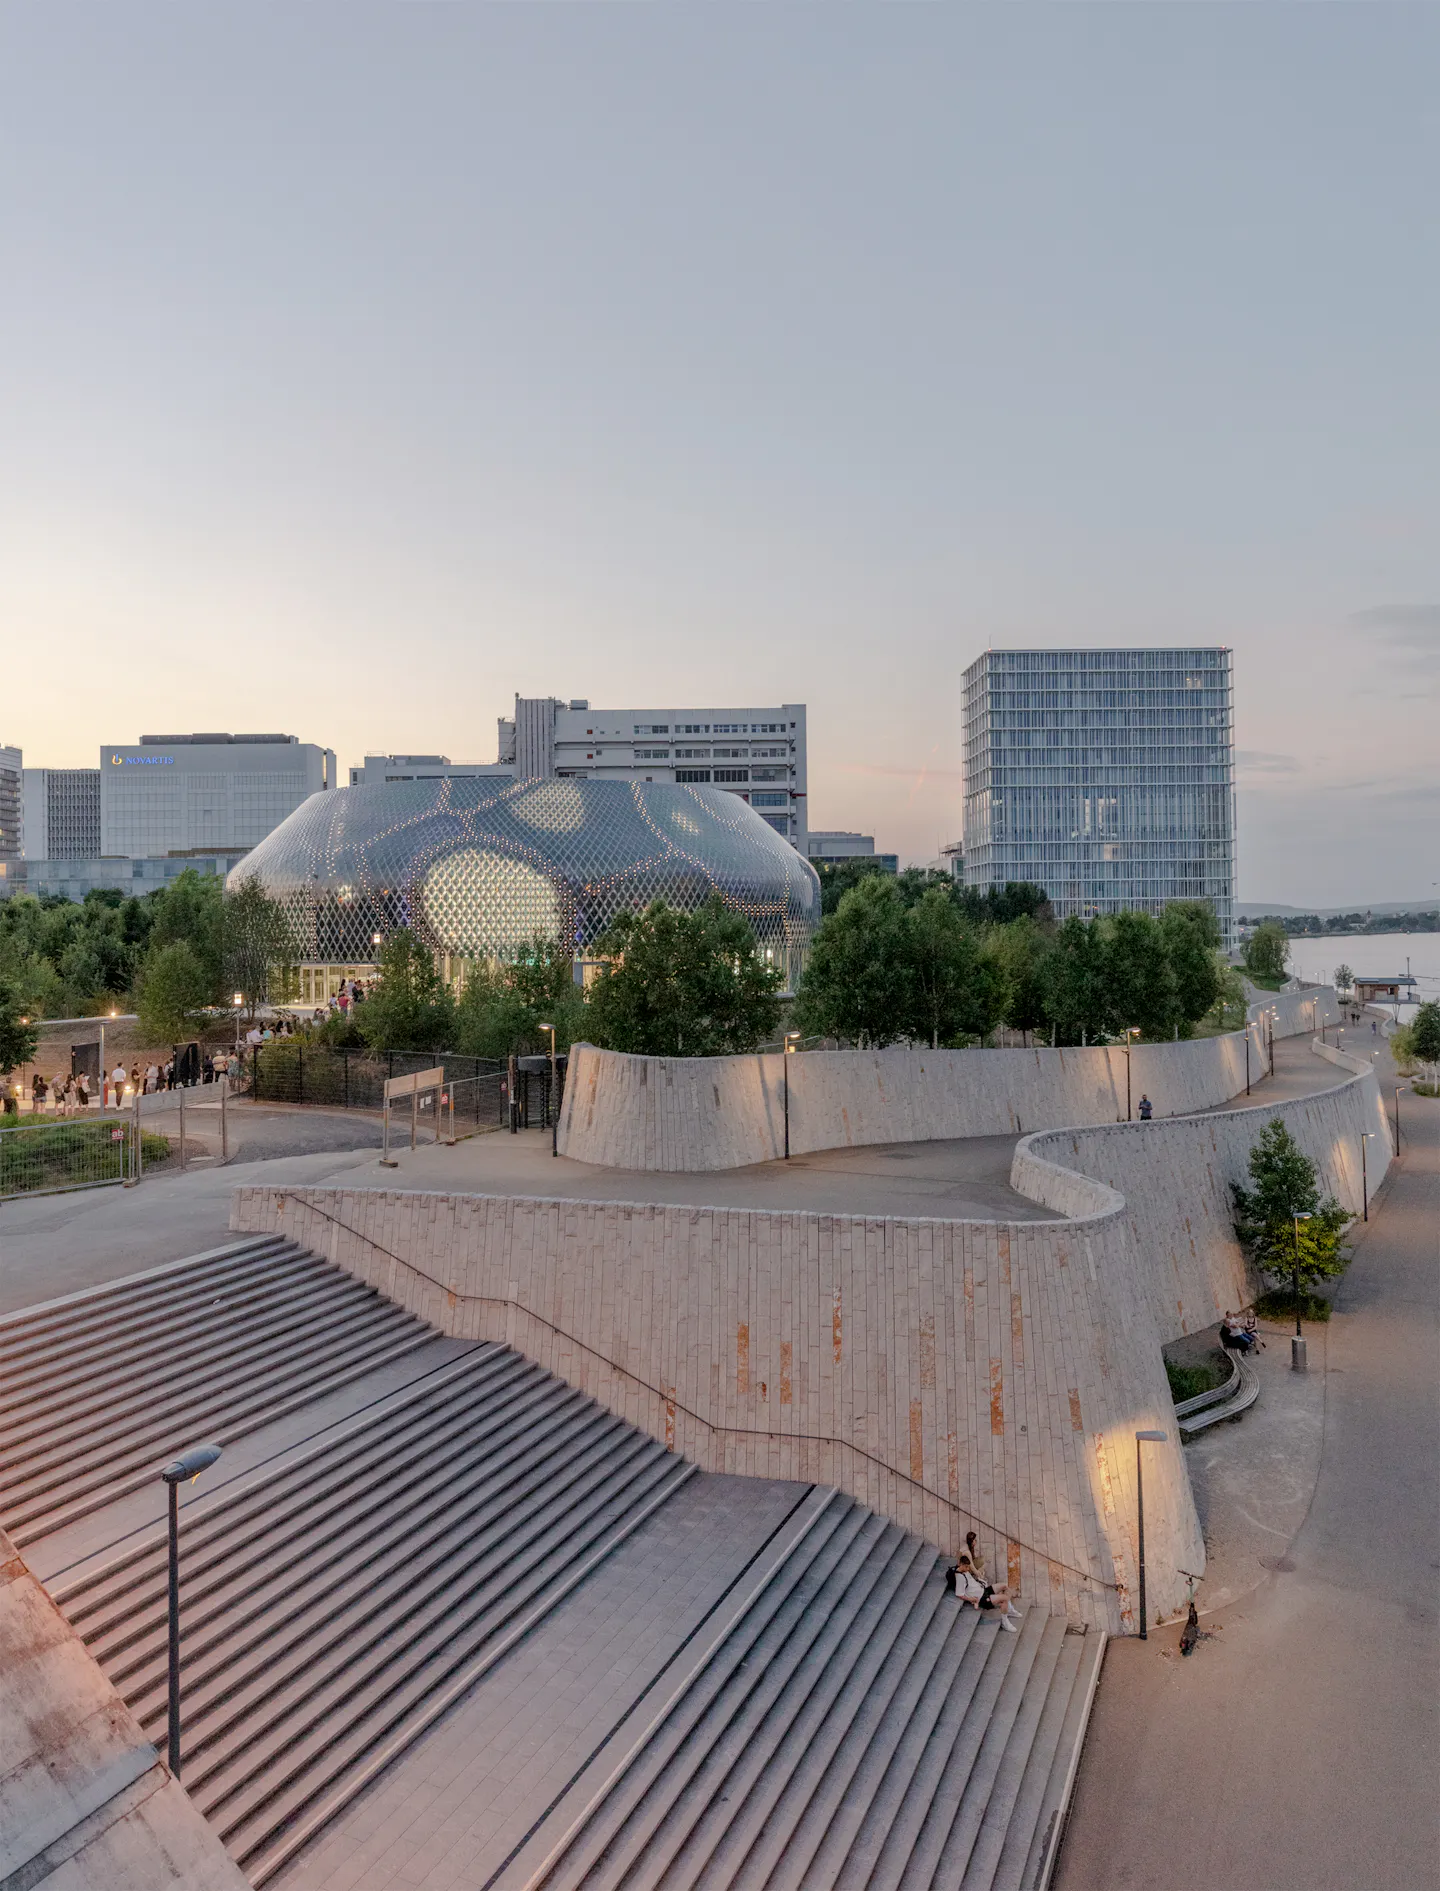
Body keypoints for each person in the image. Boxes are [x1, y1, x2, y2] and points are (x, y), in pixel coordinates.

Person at [947, 1554, 1020, 1630]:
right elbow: (959, 1594)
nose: (968, 1569)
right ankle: (1005, 1623)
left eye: (968, 1566)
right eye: (966, 1566)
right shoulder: (960, 1578)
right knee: (1005, 1598)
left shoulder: (963, 1570)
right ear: (961, 1564)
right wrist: (971, 1599)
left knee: (1005, 1586)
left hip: (983, 1590)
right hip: (982, 1598)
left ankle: (1010, 1610)